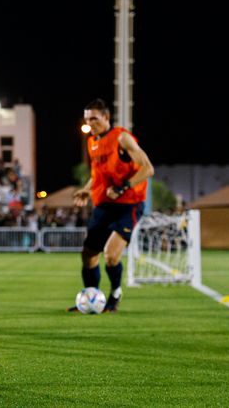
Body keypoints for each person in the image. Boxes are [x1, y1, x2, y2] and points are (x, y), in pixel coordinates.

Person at [71, 98, 154, 312]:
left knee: (110, 255)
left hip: (129, 204)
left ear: (106, 117)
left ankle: (115, 294)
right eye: (88, 119)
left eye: (95, 119)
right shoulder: (92, 142)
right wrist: (86, 190)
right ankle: (91, 298)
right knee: (89, 254)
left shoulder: (122, 138)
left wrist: (124, 186)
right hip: (104, 205)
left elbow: (148, 169)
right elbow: (97, 175)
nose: (90, 123)